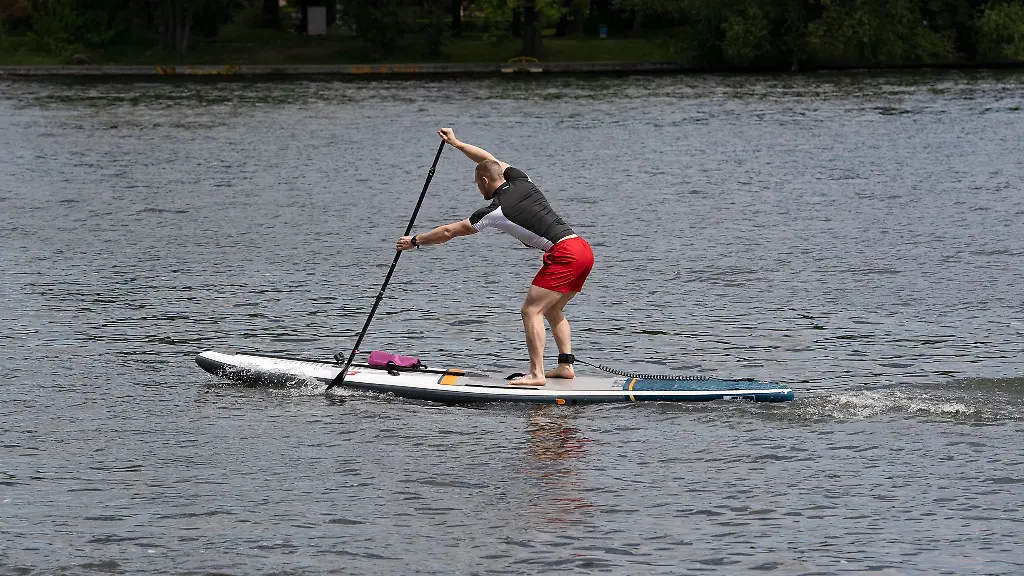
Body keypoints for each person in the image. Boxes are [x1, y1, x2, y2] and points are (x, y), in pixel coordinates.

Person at [396, 128, 595, 387]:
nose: (478, 188)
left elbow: (448, 231)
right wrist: (456, 143)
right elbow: (488, 159)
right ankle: (565, 366)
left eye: (477, 183)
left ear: (484, 182)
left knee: (530, 311)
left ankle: (536, 374)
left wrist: (414, 241)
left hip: (565, 254)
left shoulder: (495, 210)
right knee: (552, 308)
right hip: (582, 248)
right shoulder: (523, 179)